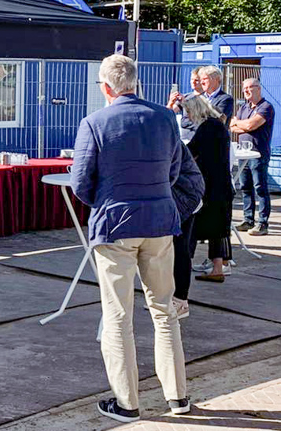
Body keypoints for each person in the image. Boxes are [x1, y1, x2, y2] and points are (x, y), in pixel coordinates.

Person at [70, 54, 190, 423]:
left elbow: (80, 182)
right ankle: (178, 396)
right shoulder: (164, 118)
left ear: (105, 87)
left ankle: (127, 402)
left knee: (118, 316)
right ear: (134, 83)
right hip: (158, 222)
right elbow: (174, 169)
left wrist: (107, 201)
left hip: (116, 225)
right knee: (164, 311)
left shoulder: (94, 122)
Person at [181, 96, 235, 284]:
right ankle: (218, 267)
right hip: (222, 184)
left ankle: (183, 265)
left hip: (208, 184)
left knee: (192, 226)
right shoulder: (218, 125)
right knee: (218, 229)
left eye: (188, 111)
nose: (187, 115)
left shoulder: (206, 128)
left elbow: (190, 152)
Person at [230, 78, 276, 236]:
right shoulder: (244, 107)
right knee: (245, 187)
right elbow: (232, 126)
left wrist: (241, 124)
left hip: (258, 153)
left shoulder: (266, 107)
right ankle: (248, 219)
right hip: (243, 153)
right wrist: (243, 124)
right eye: (245, 89)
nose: (247, 91)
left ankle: (263, 222)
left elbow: (251, 125)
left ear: (259, 88)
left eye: (250, 88)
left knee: (260, 188)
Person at [170, 144, 205, 320]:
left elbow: (169, 173)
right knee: (177, 249)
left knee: (179, 248)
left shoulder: (165, 134)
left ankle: (180, 300)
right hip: (185, 193)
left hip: (184, 196)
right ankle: (175, 298)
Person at [166, 67, 209, 139]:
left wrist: (185, 103)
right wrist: (171, 102)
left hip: (199, 137)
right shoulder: (186, 97)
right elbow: (170, 112)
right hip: (185, 138)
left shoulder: (208, 97)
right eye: (192, 79)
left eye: (196, 80)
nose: (193, 82)